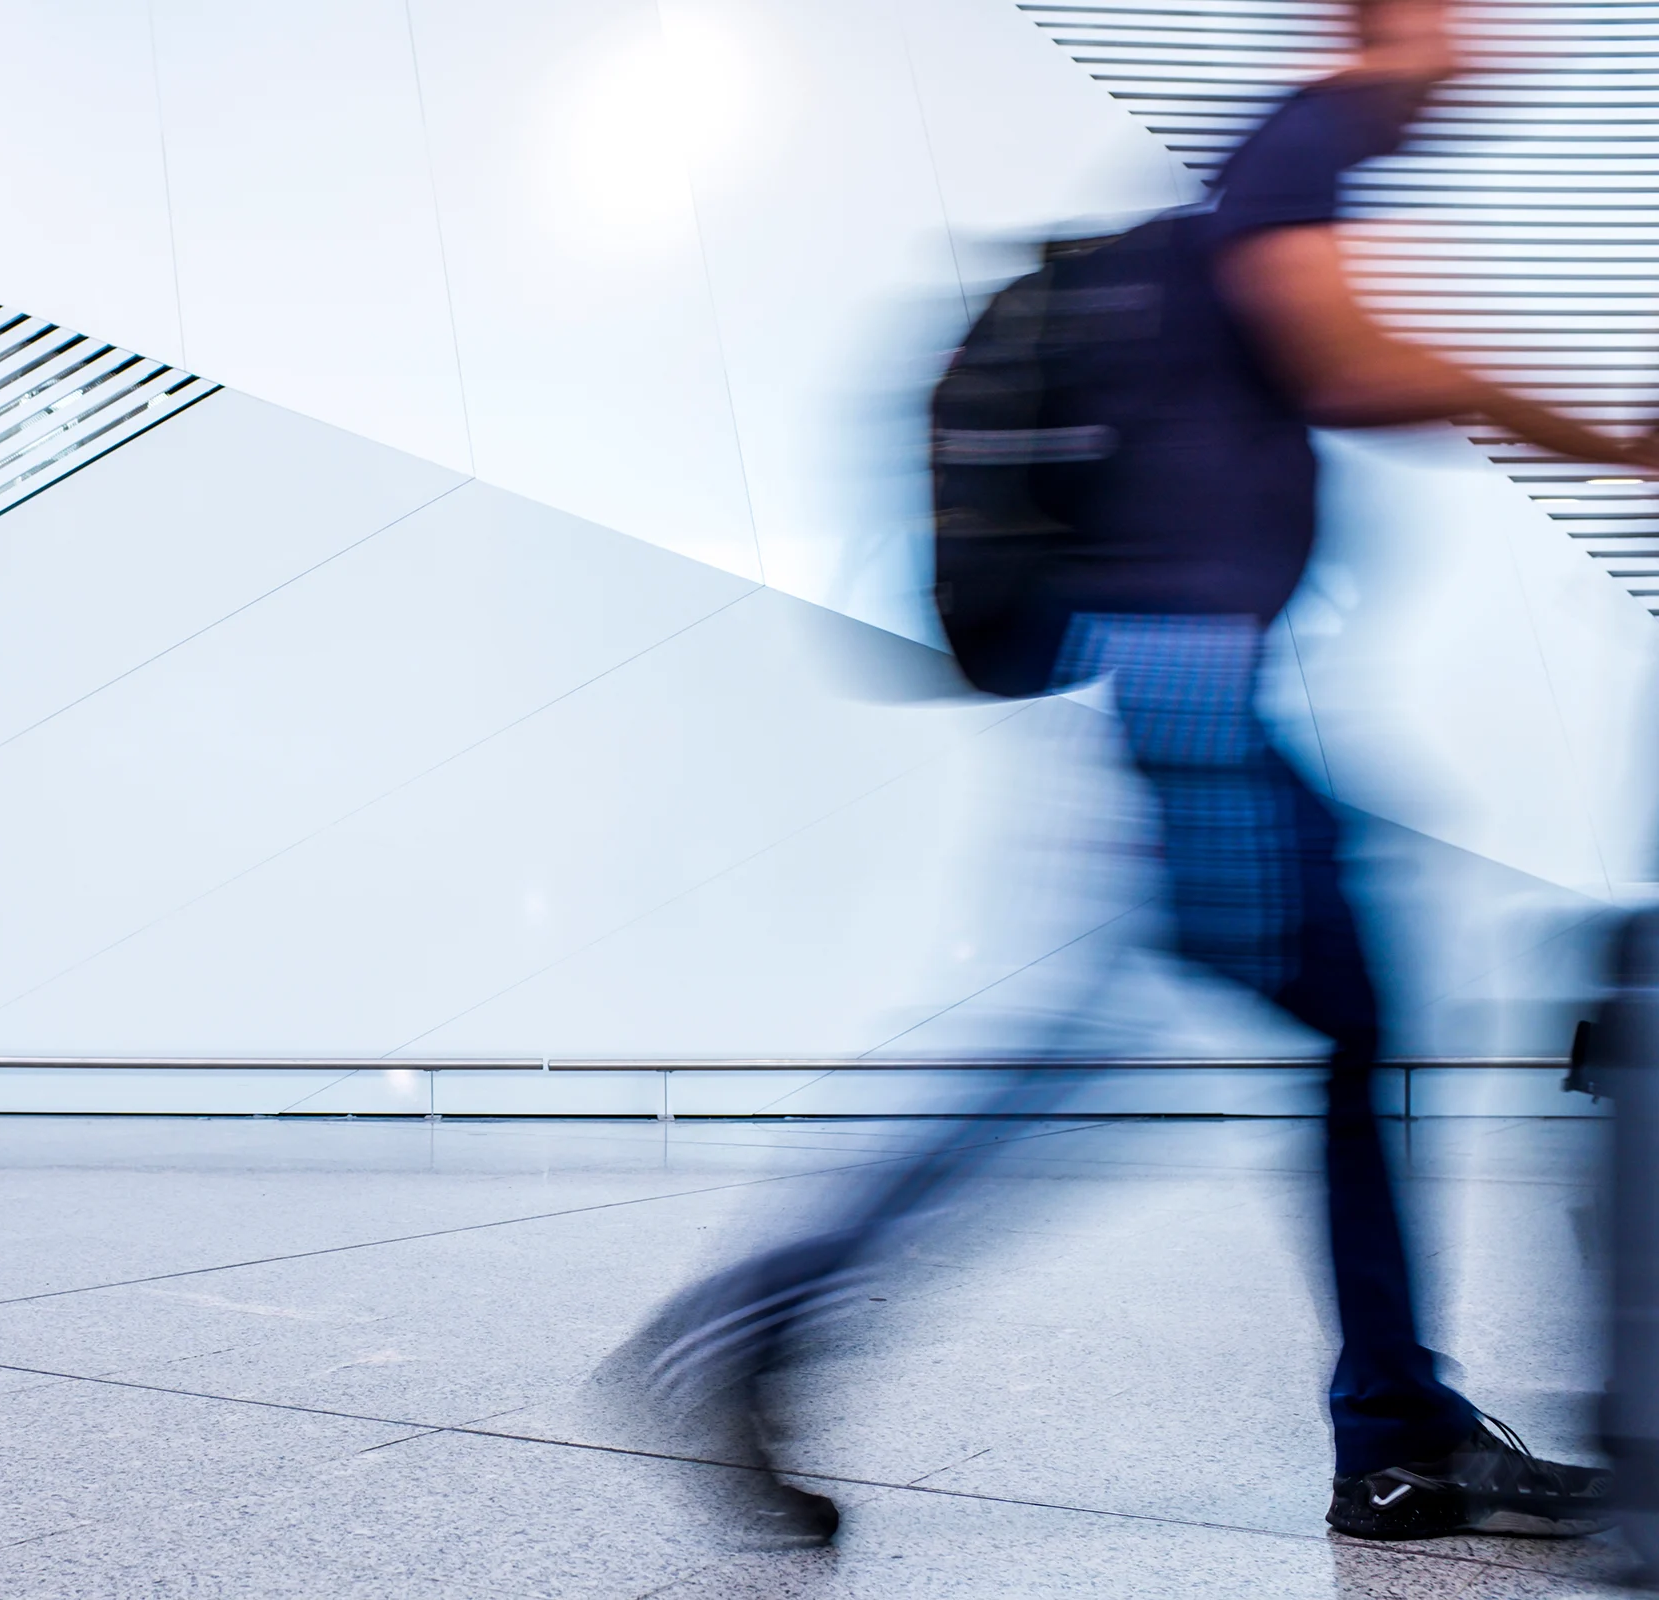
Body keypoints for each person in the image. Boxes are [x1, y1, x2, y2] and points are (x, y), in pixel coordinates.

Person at [606, 0, 1659, 1550]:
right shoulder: (1311, 133)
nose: (1485, 50)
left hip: (1191, 673)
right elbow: (1344, 354)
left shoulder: (1290, 153)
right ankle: (765, 1321)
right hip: (1191, 677)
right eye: (1458, 16)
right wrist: (1592, 430)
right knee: (1090, 1046)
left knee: (1346, 1023)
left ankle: (1399, 1433)